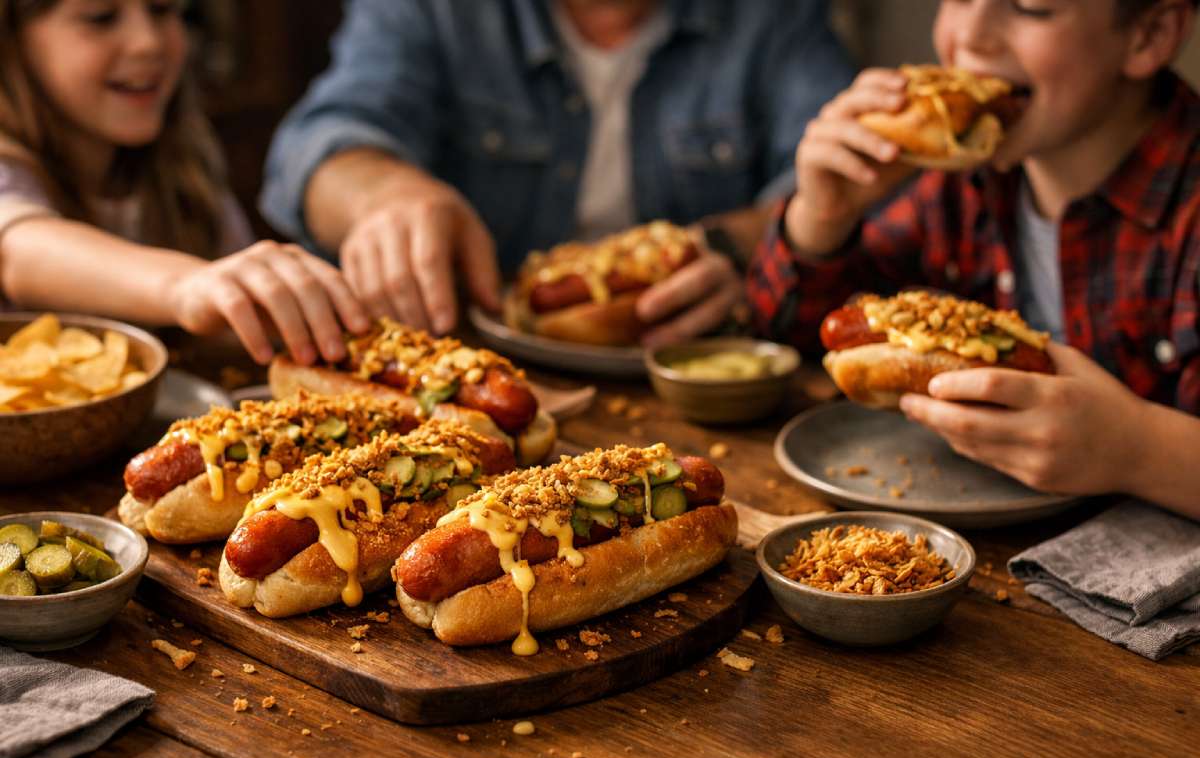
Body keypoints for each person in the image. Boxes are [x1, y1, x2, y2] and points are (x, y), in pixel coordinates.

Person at [747, 0, 1200, 520]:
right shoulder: (959, 184)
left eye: (1031, 8)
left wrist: (1136, 450)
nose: (971, 37)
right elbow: (785, 344)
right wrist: (821, 221)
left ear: (1151, 33)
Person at [261, 0, 854, 347]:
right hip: (470, 363)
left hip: (701, 375)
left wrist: (737, 246)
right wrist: (384, 195)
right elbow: (315, 145)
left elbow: (846, 182)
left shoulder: (774, 15)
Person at [0, 0, 369, 366]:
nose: (147, 42)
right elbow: (18, 249)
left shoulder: (185, 165)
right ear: (13, 43)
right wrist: (185, 285)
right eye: (101, 18)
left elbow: (236, 331)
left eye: (163, 10)